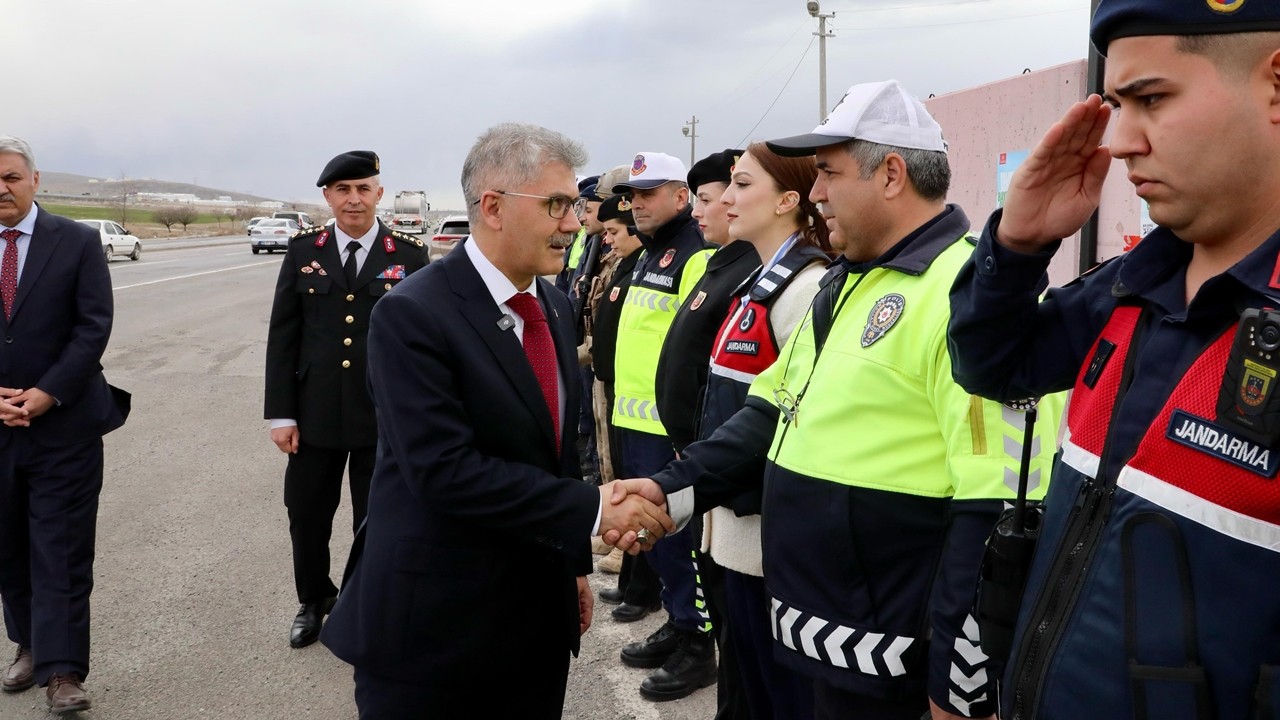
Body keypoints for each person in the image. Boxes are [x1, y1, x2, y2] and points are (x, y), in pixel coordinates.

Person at [613, 80, 1063, 720]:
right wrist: (669, 490)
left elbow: (1001, 508)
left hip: (899, 671)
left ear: (892, 175)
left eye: (828, 172)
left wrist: (959, 690)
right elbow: (768, 413)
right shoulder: (842, 287)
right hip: (819, 643)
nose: (816, 192)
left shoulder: (971, 298)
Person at [947, 4, 1280, 719]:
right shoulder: (1133, 283)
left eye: (1151, 99)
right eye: (1117, 105)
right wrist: (1017, 246)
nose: (1121, 141)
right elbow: (992, 368)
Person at [319, 123, 674, 719]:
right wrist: (594, 509)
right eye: (557, 205)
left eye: (575, 206)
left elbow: (554, 452)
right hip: (435, 631)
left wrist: (570, 568)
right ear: (493, 207)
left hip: (534, 624)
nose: (572, 222)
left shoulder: (553, 306)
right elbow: (443, 472)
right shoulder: (413, 315)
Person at [263, 150, 430, 649]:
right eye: (343, 190)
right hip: (313, 415)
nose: (353, 199)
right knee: (307, 512)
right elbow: (283, 337)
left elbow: (422, 344)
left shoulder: (409, 254)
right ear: (328, 197)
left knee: (376, 516)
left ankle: (364, 602)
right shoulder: (301, 251)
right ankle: (313, 599)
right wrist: (281, 414)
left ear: (379, 193)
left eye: (363, 188)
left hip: (382, 415)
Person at [696, 141, 833, 720]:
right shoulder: (762, 279)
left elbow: (786, 417)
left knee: (769, 698)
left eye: (743, 184)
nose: (727, 198)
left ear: (788, 201)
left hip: (761, 541)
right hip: (728, 527)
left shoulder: (805, 288)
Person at [0, 136, 130, 714]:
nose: (1, 188)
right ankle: (29, 645)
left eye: (10, 177)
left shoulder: (75, 241)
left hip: (65, 428)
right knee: (9, 547)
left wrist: (48, 393)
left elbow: (92, 326)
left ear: (34, 180)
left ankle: (64, 671)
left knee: (63, 549)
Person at [653, 147, 761, 718]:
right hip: (702, 458)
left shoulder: (763, 274)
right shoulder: (722, 263)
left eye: (718, 192)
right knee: (721, 604)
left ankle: (699, 650)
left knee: (737, 622)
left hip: (728, 477)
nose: (708, 207)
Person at [610, 151, 719, 701]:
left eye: (648, 194)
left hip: (665, 429)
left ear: (681, 197)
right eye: (632, 195)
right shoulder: (650, 253)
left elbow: (691, 349)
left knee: (677, 540)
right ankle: (679, 622)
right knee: (652, 536)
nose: (636, 204)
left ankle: (699, 643)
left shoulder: (693, 255)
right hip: (630, 421)